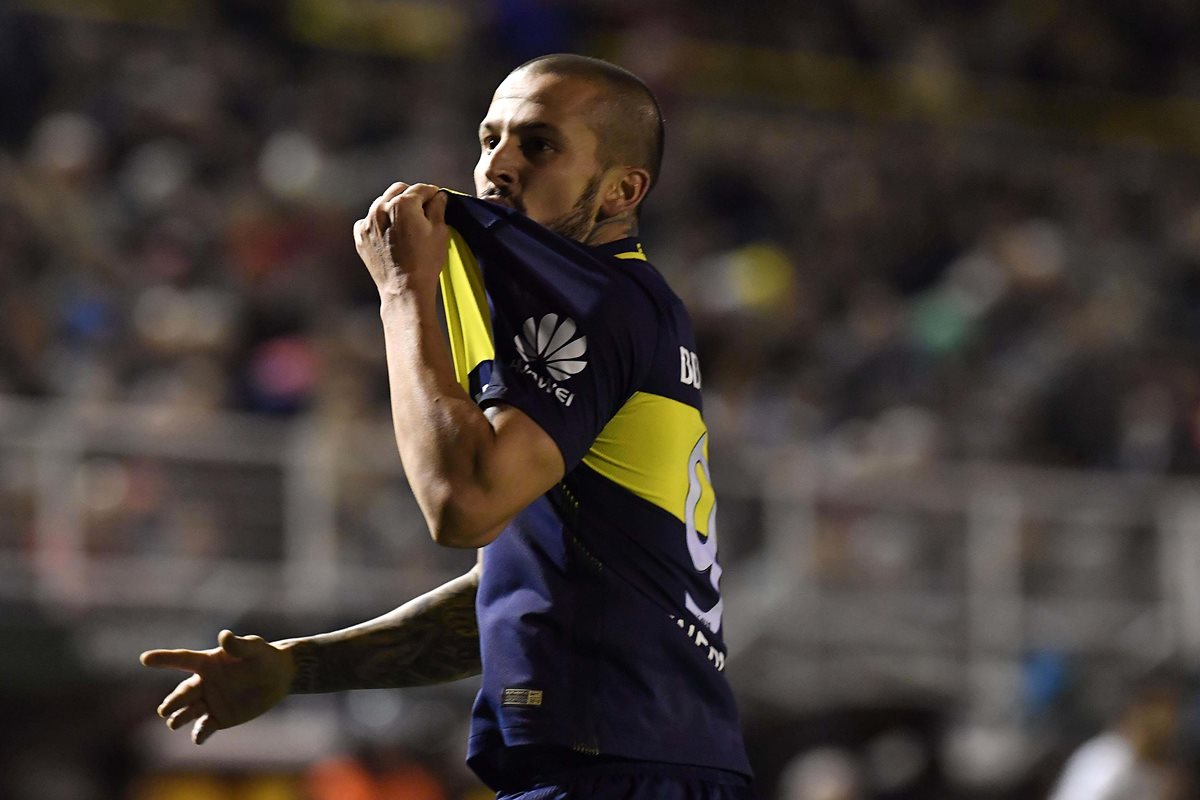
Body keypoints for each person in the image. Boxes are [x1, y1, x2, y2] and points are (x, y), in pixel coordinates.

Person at [141, 53, 754, 799]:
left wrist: (404, 294)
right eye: (489, 138)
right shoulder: (612, 310)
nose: (497, 166)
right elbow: (519, 591)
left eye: (538, 144)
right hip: (631, 763)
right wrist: (302, 666)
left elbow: (460, 506)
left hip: (619, 770)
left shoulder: (602, 305)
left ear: (625, 188)